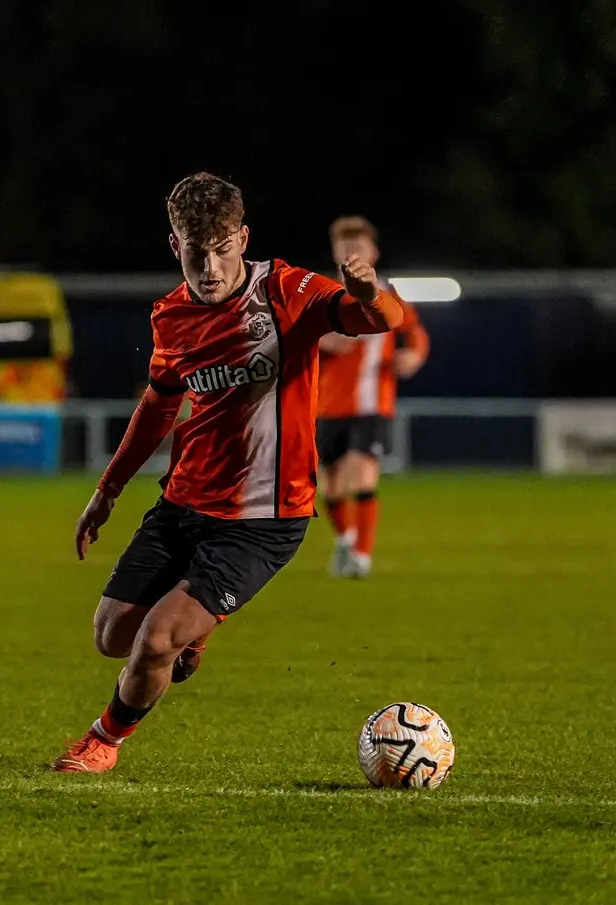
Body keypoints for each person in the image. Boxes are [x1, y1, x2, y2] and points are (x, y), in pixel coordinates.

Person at [51, 173, 403, 773]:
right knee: (111, 636)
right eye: (195, 251)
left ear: (243, 238)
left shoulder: (288, 290)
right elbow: (158, 406)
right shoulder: (171, 317)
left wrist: (368, 293)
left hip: (263, 519)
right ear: (175, 246)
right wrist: (107, 489)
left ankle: (103, 739)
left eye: (221, 249)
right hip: (183, 505)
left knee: (156, 639)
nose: (209, 267)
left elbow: (382, 319)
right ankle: (193, 628)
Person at [316, 216, 429, 578]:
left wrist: (412, 356)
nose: (351, 252)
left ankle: (361, 557)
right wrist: (319, 339)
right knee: (327, 488)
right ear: (335, 252)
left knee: (362, 476)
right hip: (325, 405)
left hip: (371, 404)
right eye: (345, 247)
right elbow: (294, 337)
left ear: (373, 252)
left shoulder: (389, 298)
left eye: (358, 247)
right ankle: (347, 539)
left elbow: (415, 334)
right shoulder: (321, 295)